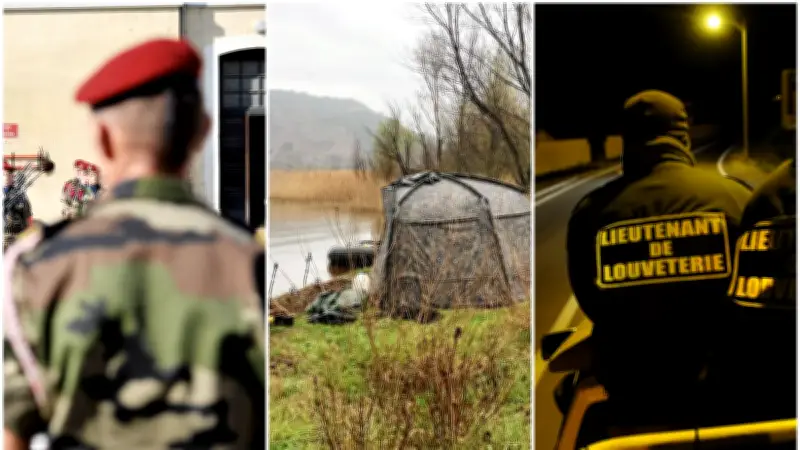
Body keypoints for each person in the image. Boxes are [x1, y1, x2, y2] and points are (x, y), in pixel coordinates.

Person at [3, 38, 265, 450]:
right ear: (202, 132)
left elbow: (13, 434)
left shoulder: (37, 268)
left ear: (104, 139)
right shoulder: (252, 262)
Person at [565, 90, 751, 425]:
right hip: (728, 392)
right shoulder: (737, 198)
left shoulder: (591, 213)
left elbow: (589, 300)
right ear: (683, 136)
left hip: (631, 400)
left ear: (626, 141)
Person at [3, 161, 32, 251]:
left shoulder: (21, 197)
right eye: (4, 174)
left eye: (10, 174)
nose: (7, 177)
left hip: (15, 241)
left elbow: (28, 220)